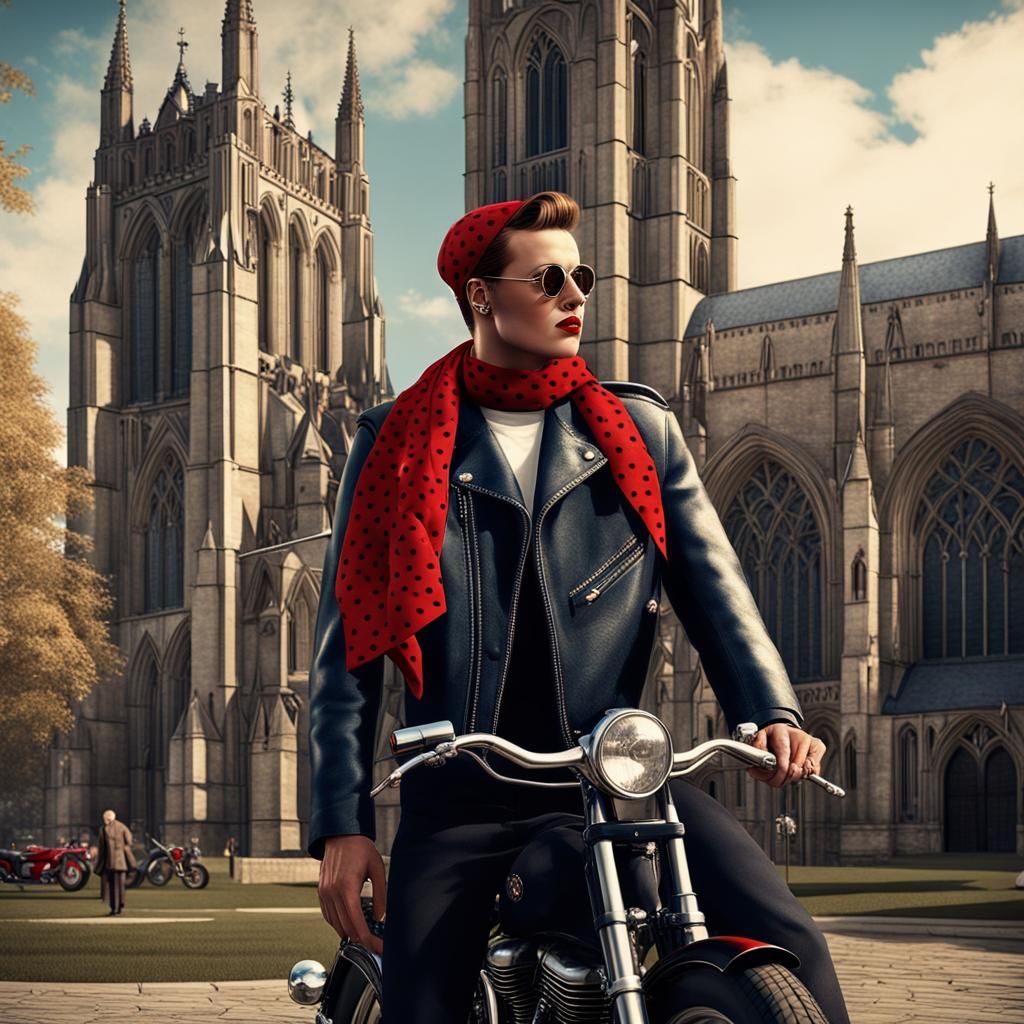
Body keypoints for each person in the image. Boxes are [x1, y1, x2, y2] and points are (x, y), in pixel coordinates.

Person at [309, 190, 851, 1023]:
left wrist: (768, 709)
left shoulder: (638, 427)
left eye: (582, 275)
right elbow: (347, 651)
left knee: (790, 940)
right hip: (463, 794)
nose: (575, 295)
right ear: (481, 296)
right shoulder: (393, 441)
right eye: (549, 277)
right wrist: (340, 823)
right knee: (425, 1005)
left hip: (618, 776)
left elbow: (715, 588)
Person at [94, 808, 135, 916]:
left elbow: (102, 848)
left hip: (110, 862)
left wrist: (99, 865)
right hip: (121, 862)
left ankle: (114, 908)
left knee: (112, 886)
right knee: (120, 886)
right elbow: (129, 841)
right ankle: (120, 906)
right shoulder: (122, 827)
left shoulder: (104, 829)